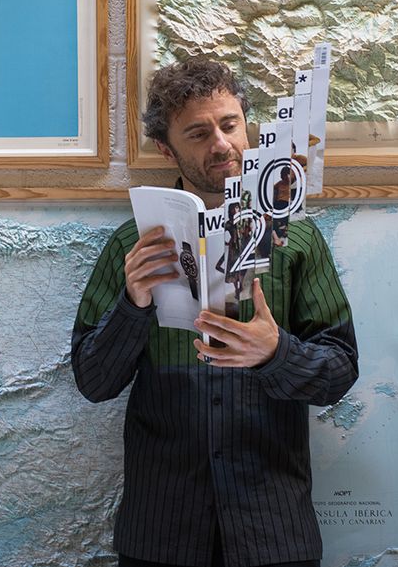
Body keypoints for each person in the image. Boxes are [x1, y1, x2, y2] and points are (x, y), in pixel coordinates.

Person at [72, 58, 358, 567]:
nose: (222, 145)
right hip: (162, 536)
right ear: (167, 149)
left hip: (274, 532)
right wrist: (134, 304)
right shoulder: (132, 246)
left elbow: (340, 373)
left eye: (229, 125)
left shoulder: (298, 240)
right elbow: (94, 382)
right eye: (199, 134)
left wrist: (276, 353)